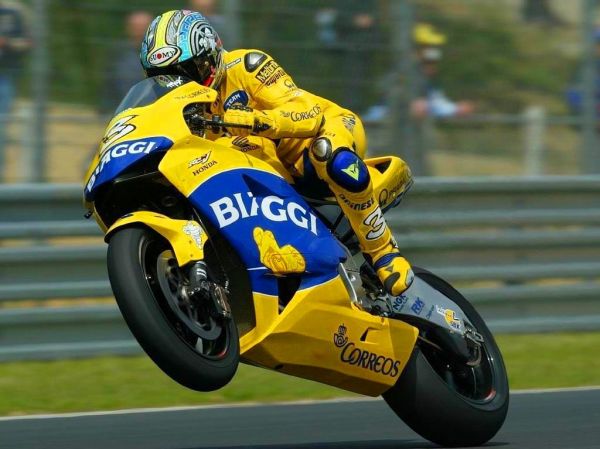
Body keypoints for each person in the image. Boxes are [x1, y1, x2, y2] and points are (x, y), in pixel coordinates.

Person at [139, 10, 413, 296]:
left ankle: (384, 252)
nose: (181, 84)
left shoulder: (247, 65)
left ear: (210, 54)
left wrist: (255, 120)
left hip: (322, 134)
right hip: (267, 172)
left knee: (329, 154)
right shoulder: (178, 111)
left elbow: (308, 113)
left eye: (188, 71)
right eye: (165, 78)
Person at [0, 1, 30, 178]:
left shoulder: (15, 11)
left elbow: (27, 43)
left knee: (1, 125)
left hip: (5, 76)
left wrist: (7, 43)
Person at [101, 11, 153, 113]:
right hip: (121, 110)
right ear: (128, 28)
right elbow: (108, 85)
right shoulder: (117, 53)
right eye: (135, 27)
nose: (139, 31)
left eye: (143, 27)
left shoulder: (163, 55)